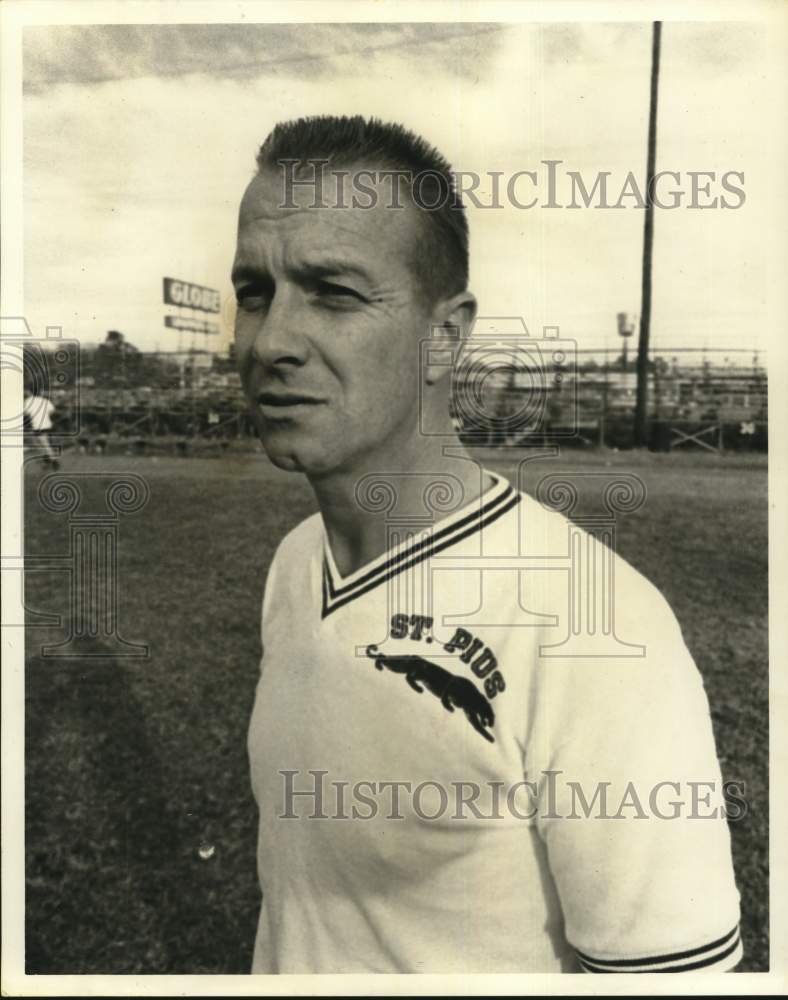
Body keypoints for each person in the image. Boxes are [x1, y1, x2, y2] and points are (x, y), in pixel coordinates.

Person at [233, 115, 742, 974]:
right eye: (255, 292)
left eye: (334, 292)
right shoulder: (296, 565)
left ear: (447, 333)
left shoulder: (594, 625)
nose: (272, 341)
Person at [23, 385, 59, 469]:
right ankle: (48, 460)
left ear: (30, 392)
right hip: (47, 424)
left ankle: (54, 461)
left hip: (37, 425)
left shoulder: (28, 401)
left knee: (43, 444)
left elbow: (25, 413)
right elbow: (52, 410)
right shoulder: (45, 400)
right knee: (40, 443)